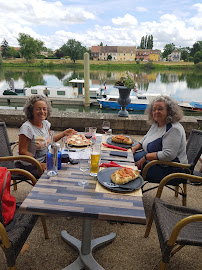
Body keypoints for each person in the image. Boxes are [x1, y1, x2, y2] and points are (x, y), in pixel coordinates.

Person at [15, 95, 77, 178]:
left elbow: (49, 141)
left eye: (44, 109)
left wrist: (64, 133)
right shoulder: (27, 128)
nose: (42, 111)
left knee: (66, 164)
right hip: (29, 165)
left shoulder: (45, 124)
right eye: (38, 109)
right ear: (31, 111)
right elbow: (22, 152)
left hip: (45, 159)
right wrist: (39, 164)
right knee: (52, 174)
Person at [132, 95, 188, 183]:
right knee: (128, 159)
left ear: (169, 111)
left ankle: (133, 194)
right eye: (154, 109)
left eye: (160, 109)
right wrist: (134, 148)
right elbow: (146, 138)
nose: (156, 112)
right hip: (157, 162)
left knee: (132, 170)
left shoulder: (173, 129)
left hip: (172, 170)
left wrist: (146, 157)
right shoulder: (157, 123)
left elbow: (168, 155)